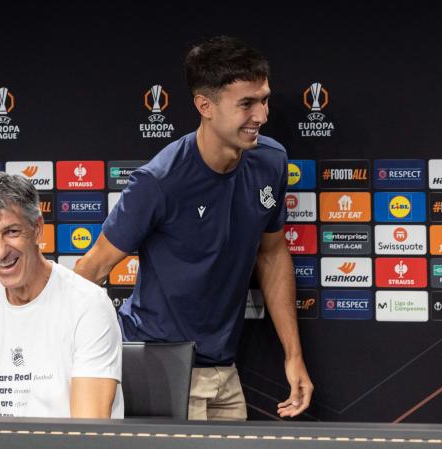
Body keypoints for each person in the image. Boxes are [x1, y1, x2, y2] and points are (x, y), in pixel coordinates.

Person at [74, 36, 313, 420]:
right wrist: (84, 375)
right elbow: (91, 270)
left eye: (264, 99)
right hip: (159, 369)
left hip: (224, 370)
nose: (262, 116)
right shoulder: (158, 181)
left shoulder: (271, 160)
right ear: (205, 106)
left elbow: (271, 254)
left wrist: (294, 356)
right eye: (246, 104)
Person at [0, 172, 123, 418]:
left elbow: (88, 433)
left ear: (37, 229)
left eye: (11, 231)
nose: (0, 252)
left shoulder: (88, 304)